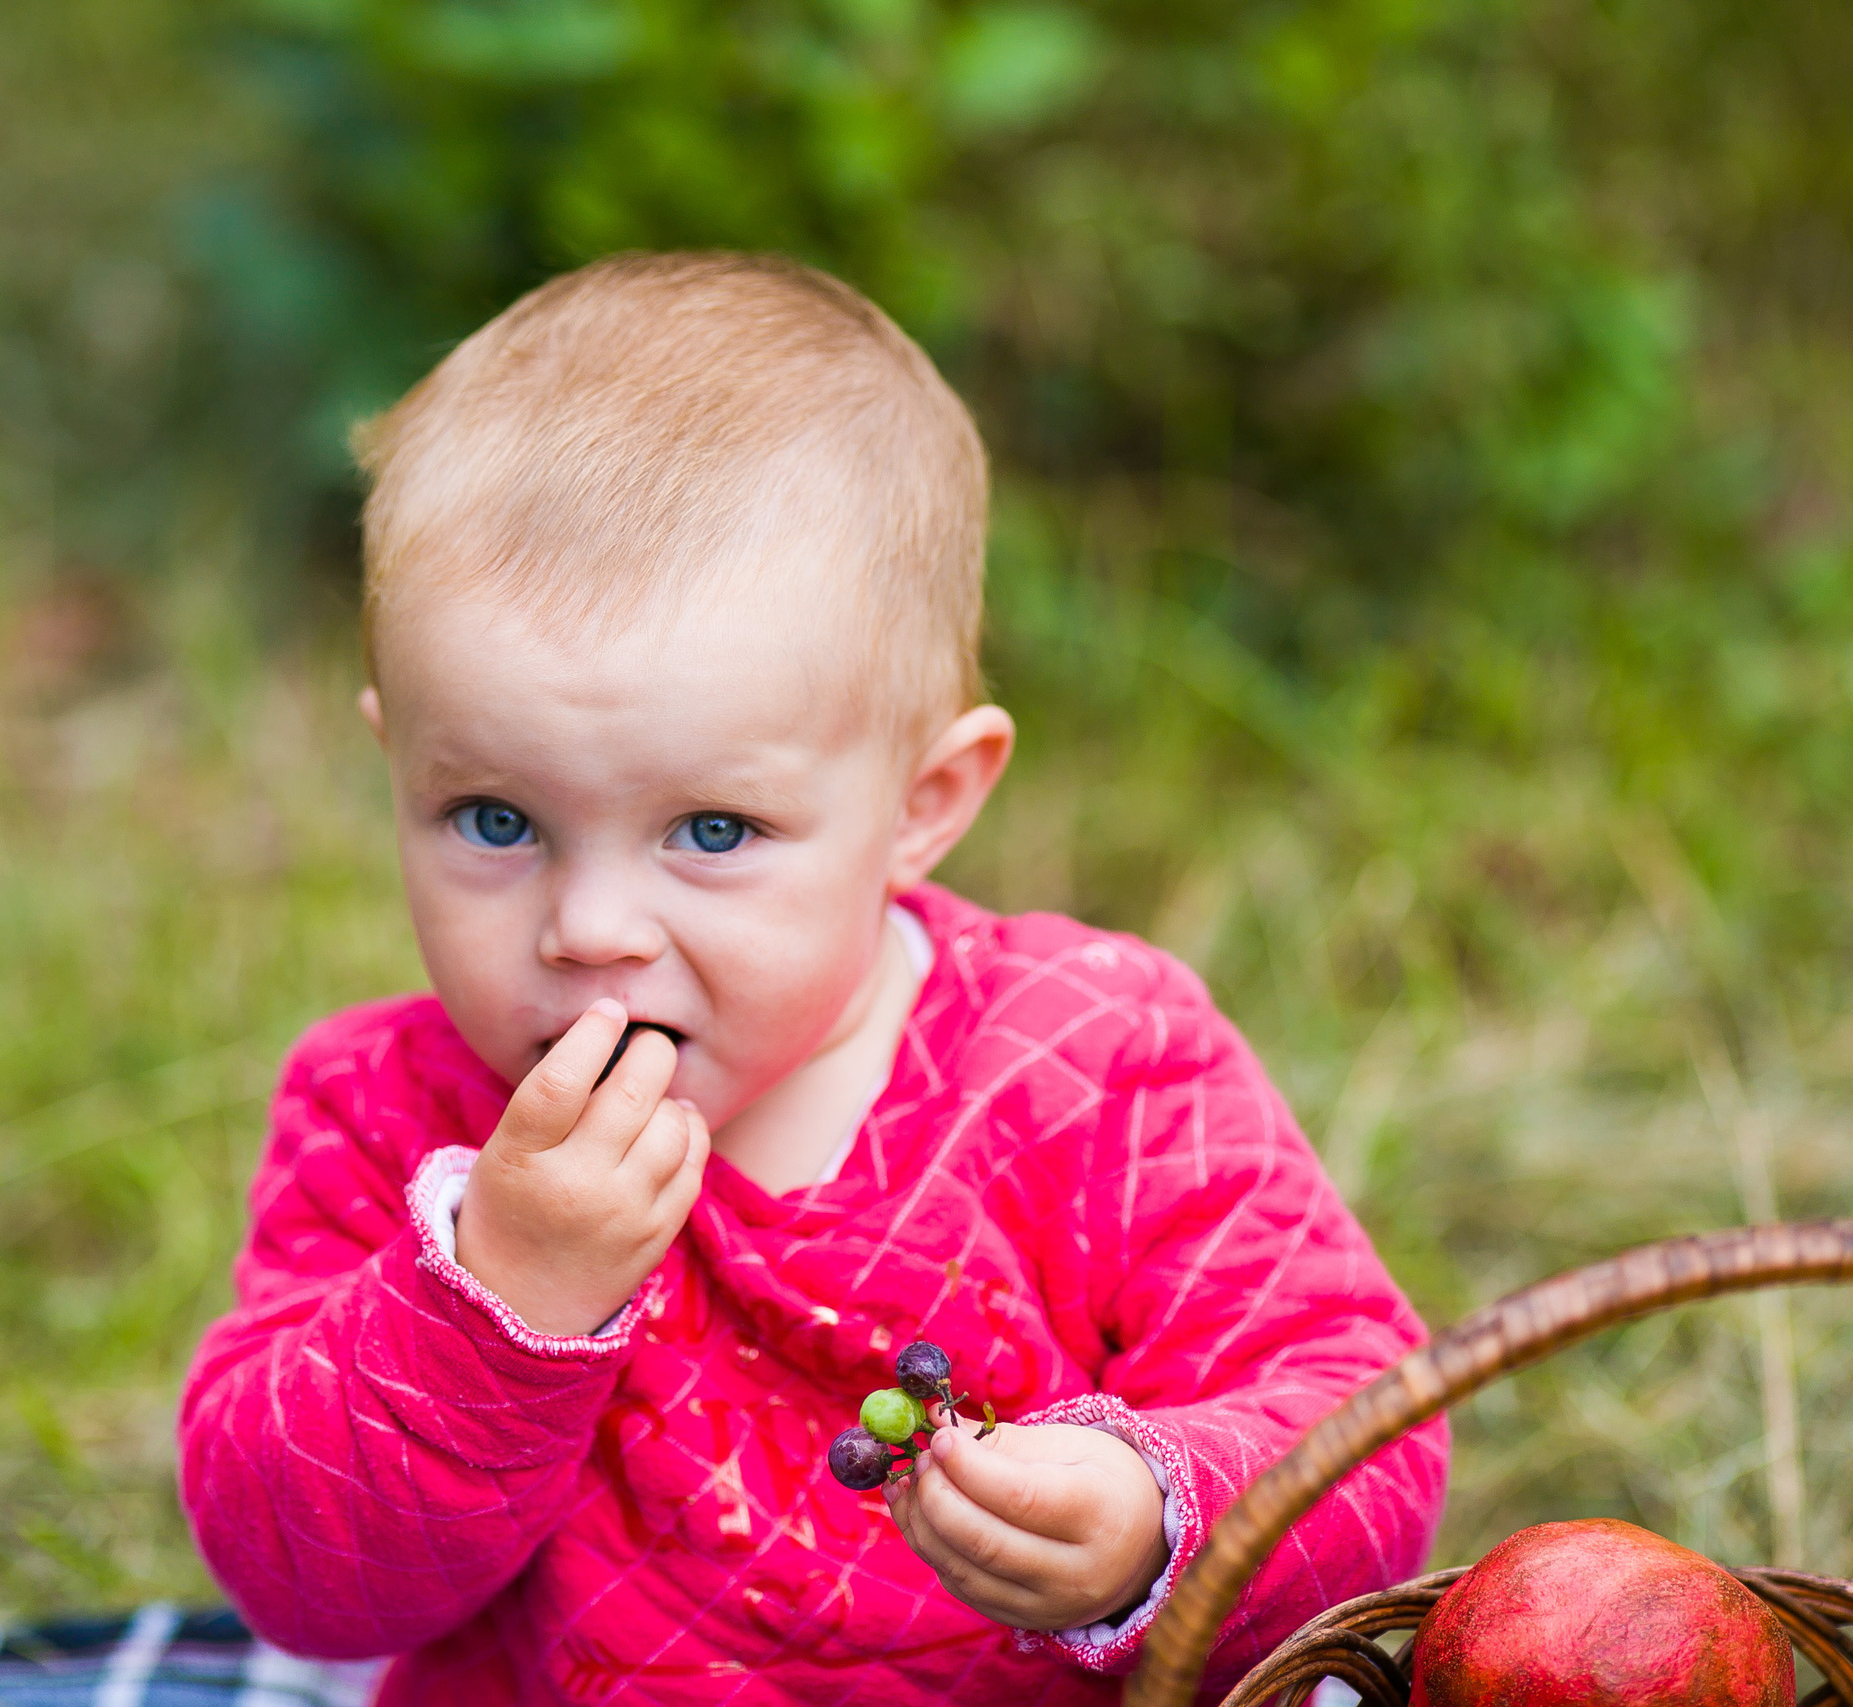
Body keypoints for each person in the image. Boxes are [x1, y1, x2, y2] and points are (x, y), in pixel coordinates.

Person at [176, 252, 1447, 1706]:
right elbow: (297, 1581)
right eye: (495, 820)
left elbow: (1368, 1420)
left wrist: (1159, 1520)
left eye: (712, 831)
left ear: (924, 799)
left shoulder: (1092, 1059)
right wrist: (491, 1298)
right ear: (393, 756)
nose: (591, 928)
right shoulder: (390, 1116)